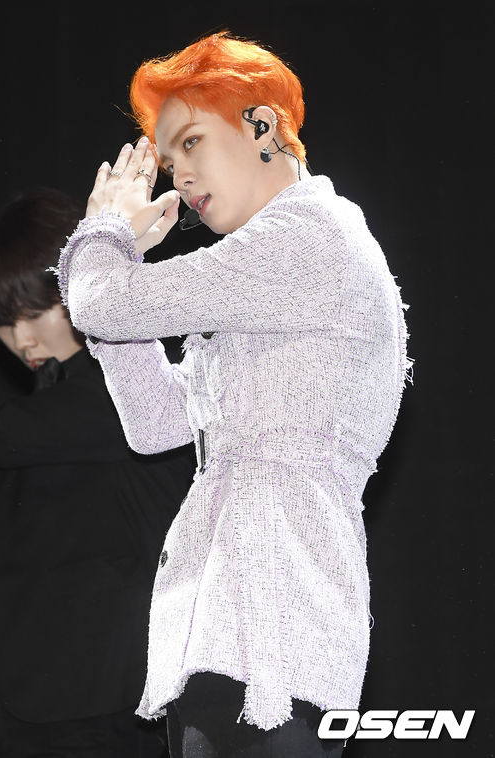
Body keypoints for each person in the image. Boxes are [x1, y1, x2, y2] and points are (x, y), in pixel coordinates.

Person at [54, 31, 414, 758]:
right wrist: (117, 274)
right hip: (227, 619)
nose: (180, 176)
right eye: (169, 159)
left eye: (191, 143)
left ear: (261, 126)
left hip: (276, 620)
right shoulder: (269, 282)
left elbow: (104, 303)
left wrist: (104, 235)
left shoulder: (307, 238)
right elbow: (155, 421)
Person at [0, 187, 195, 758]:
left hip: (106, 712)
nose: (21, 340)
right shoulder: (44, 402)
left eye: (33, 313)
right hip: (20, 708)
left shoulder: (131, 384)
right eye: (3, 323)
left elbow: (7, 432)